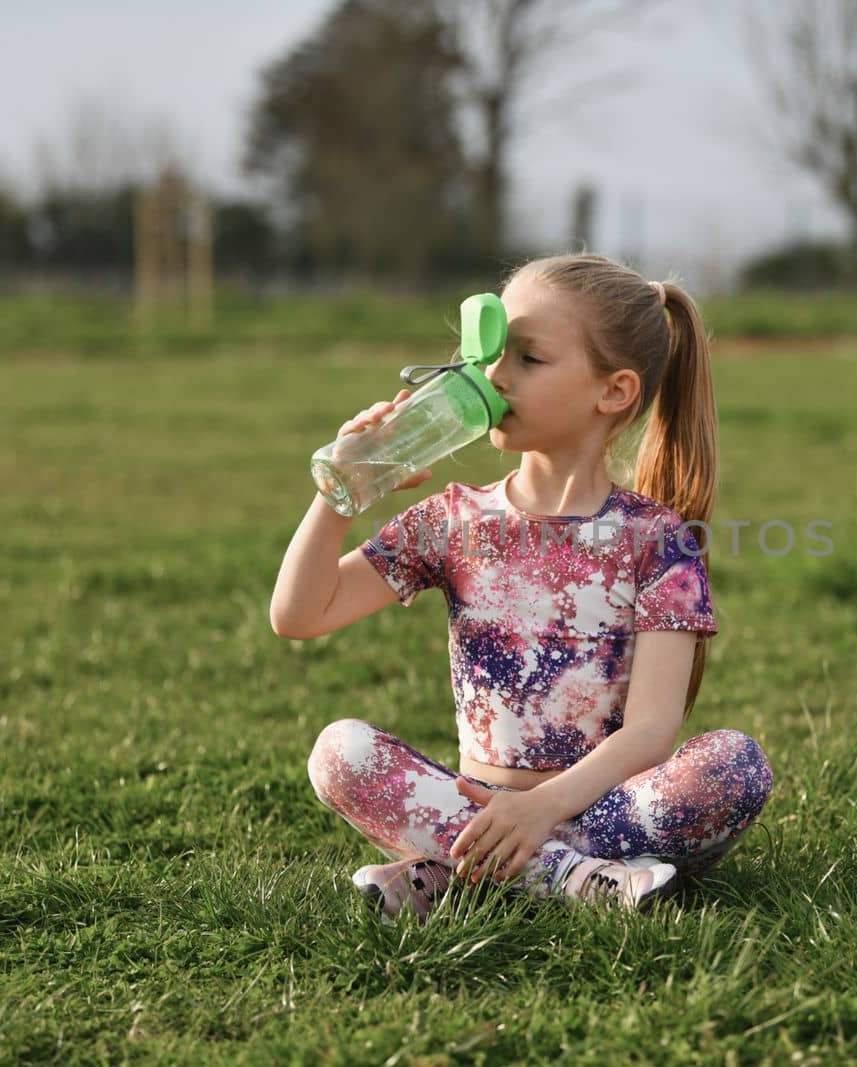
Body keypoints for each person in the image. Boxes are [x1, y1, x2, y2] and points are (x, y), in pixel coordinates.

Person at [270, 253, 774, 923]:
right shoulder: (453, 521)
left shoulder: (658, 538)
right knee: (339, 752)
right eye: (491, 354)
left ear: (615, 391)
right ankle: (577, 880)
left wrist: (542, 809)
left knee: (735, 764)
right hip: (476, 803)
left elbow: (654, 730)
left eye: (529, 359)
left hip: (604, 810)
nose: (496, 377)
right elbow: (299, 614)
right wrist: (341, 489)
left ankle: (455, 872)